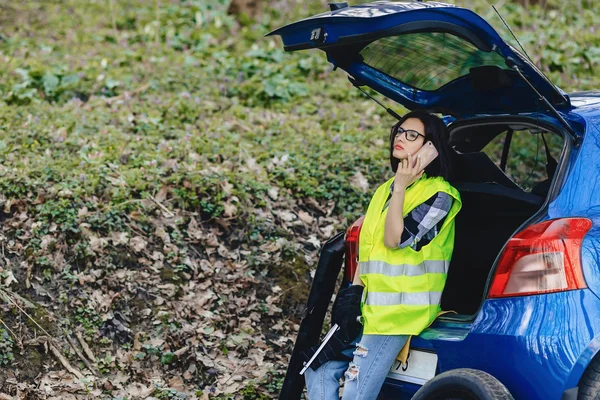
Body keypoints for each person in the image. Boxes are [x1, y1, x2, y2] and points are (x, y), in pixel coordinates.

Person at [301, 110, 462, 400]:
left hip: (399, 313)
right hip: (369, 308)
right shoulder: (383, 191)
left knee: (355, 392)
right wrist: (351, 296)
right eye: (399, 131)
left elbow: (393, 240)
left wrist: (401, 185)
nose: (401, 137)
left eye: (412, 135)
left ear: (431, 148)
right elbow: (369, 247)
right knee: (319, 368)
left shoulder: (441, 195)